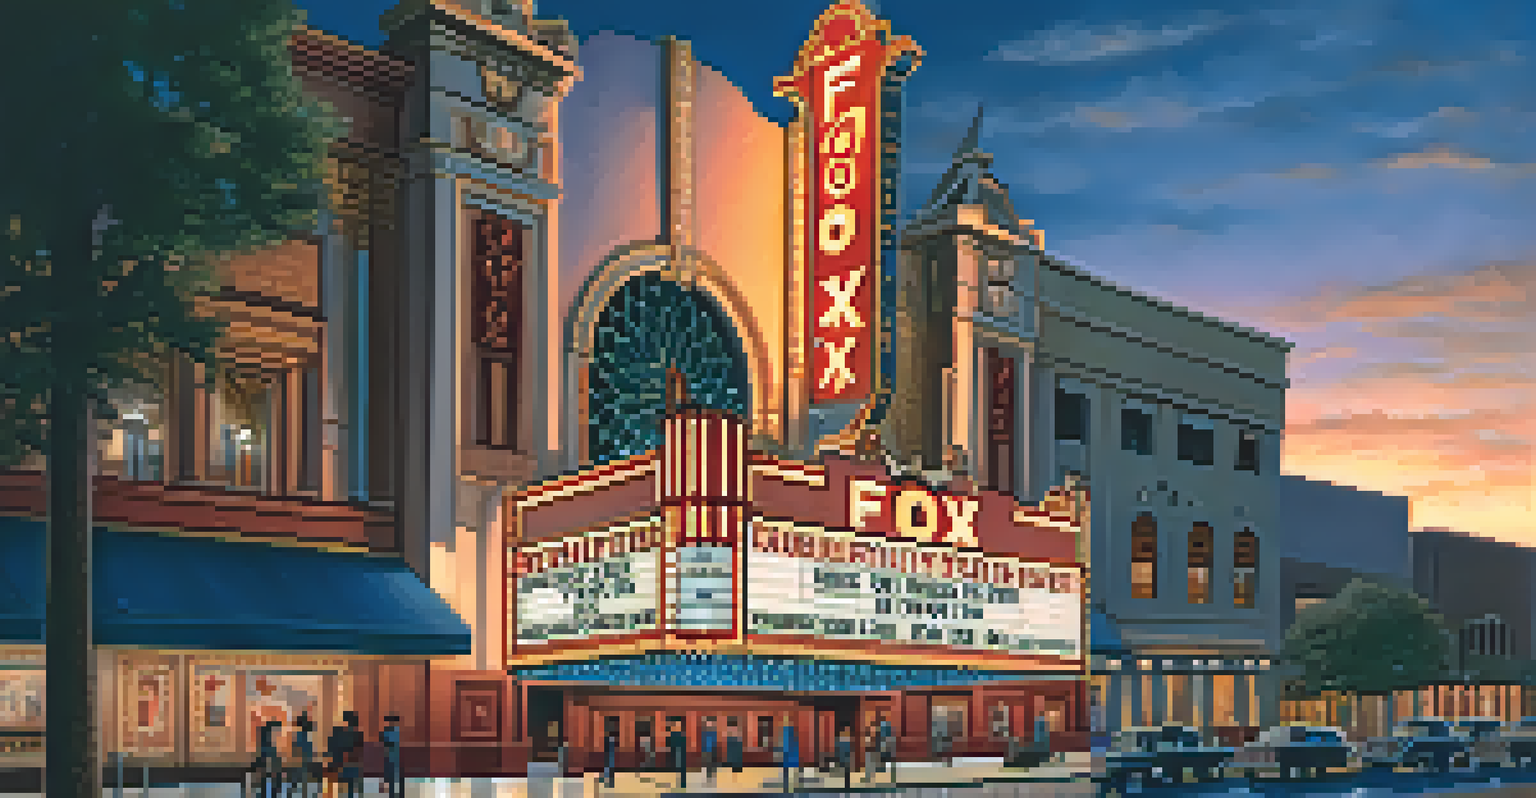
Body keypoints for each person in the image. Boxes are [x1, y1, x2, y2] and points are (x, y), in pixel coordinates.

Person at [289, 713, 314, 798]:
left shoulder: (297, 737)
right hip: (305, 766)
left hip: (298, 766)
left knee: (297, 787)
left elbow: (295, 752)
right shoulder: (307, 737)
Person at [258, 719, 284, 798]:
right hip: (269, 761)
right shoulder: (266, 741)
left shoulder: (267, 741)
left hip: (270, 761)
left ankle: (273, 792)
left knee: (272, 782)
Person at [381, 714, 402, 798]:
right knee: (393, 778)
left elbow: (387, 741)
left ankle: (394, 793)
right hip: (392, 756)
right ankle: (393, 793)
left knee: (393, 777)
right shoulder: (395, 731)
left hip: (392, 756)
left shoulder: (391, 731)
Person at [778, 713, 799, 793]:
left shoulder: (787, 732)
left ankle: (788, 789)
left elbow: (786, 745)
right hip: (789, 757)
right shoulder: (790, 732)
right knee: (789, 774)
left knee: (788, 774)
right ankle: (789, 788)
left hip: (789, 757)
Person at [666, 718, 688, 789]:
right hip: (676, 753)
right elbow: (671, 745)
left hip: (681, 754)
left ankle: (682, 784)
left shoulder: (682, 735)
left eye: (678, 724)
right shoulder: (673, 735)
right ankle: (679, 783)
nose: (676, 726)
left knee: (682, 769)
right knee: (677, 768)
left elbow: (683, 745)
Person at [862, 718, 880, 784]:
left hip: (871, 750)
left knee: (870, 763)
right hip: (869, 750)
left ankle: (869, 777)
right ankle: (869, 777)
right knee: (869, 763)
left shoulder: (874, 733)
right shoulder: (872, 732)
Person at [701, 717, 718, 785]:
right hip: (706, 751)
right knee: (707, 764)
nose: (709, 724)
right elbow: (703, 742)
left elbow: (715, 742)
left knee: (712, 765)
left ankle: (713, 778)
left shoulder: (714, 732)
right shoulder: (704, 733)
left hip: (713, 750)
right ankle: (708, 778)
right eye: (708, 723)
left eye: (710, 723)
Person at [602, 720, 618, 789]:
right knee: (609, 769)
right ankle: (610, 783)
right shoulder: (611, 739)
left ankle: (609, 783)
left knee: (609, 769)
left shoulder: (609, 739)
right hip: (610, 758)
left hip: (609, 758)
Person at [836, 725, 853, 790]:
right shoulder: (842, 740)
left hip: (847, 757)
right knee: (846, 770)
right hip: (844, 757)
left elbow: (851, 749)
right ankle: (846, 784)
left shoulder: (848, 740)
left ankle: (847, 784)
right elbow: (839, 749)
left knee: (847, 771)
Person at [879, 713, 895, 782]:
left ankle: (884, 768)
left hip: (885, 742)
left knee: (885, 755)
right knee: (884, 755)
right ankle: (884, 768)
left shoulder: (885, 725)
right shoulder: (886, 725)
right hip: (885, 742)